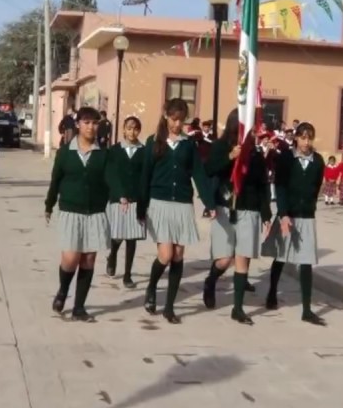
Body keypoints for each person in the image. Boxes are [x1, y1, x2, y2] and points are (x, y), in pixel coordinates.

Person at [137, 98, 216, 324]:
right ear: (165, 116)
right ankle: (151, 288)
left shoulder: (188, 145)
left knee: (179, 255)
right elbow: (145, 176)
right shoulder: (153, 142)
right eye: (174, 119)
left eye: (181, 120)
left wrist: (209, 203)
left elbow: (198, 175)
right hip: (159, 203)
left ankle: (169, 307)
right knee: (166, 255)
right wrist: (141, 206)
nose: (177, 124)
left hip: (182, 204)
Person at [203, 110, 272, 325]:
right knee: (225, 260)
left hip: (249, 209)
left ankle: (238, 309)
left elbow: (263, 186)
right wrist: (229, 157)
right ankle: (211, 281)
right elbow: (209, 170)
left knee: (242, 258)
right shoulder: (220, 147)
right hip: (225, 207)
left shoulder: (255, 154)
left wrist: (266, 213)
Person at [44, 107, 111, 321]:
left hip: (95, 211)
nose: (91, 127)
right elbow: (56, 180)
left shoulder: (103, 154)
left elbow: (111, 181)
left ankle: (79, 308)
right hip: (71, 209)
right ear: (78, 124)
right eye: (87, 122)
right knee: (71, 258)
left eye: (94, 123)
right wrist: (49, 204)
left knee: (89, 258)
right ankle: (63, 290)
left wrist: (123, 196)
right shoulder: (65, 153)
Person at [262, 121, 327, 325]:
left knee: (306, 261)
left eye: (309, 138)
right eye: (303, 138)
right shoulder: (286, 159)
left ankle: (307, 309)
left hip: (306, 215)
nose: (306, 142)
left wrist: (309, 205)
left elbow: (316, 186)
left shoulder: (318, 161)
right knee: (281, 256)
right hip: (287, 214)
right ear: (296, 138)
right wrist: (283, 213)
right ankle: (272, 292)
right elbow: (280, 187)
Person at [104, 116, 146, 287]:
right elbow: (110, 174)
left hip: (136, 199)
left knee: (132, 238)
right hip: (117, 199)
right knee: (118, 235)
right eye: (129, 128)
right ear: (123, 129)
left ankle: (127, 275)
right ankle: (112, 255)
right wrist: (119, 194)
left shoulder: (144, 151)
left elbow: (145, 177)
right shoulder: (114, 150)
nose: (132, 132)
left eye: (135, 128)